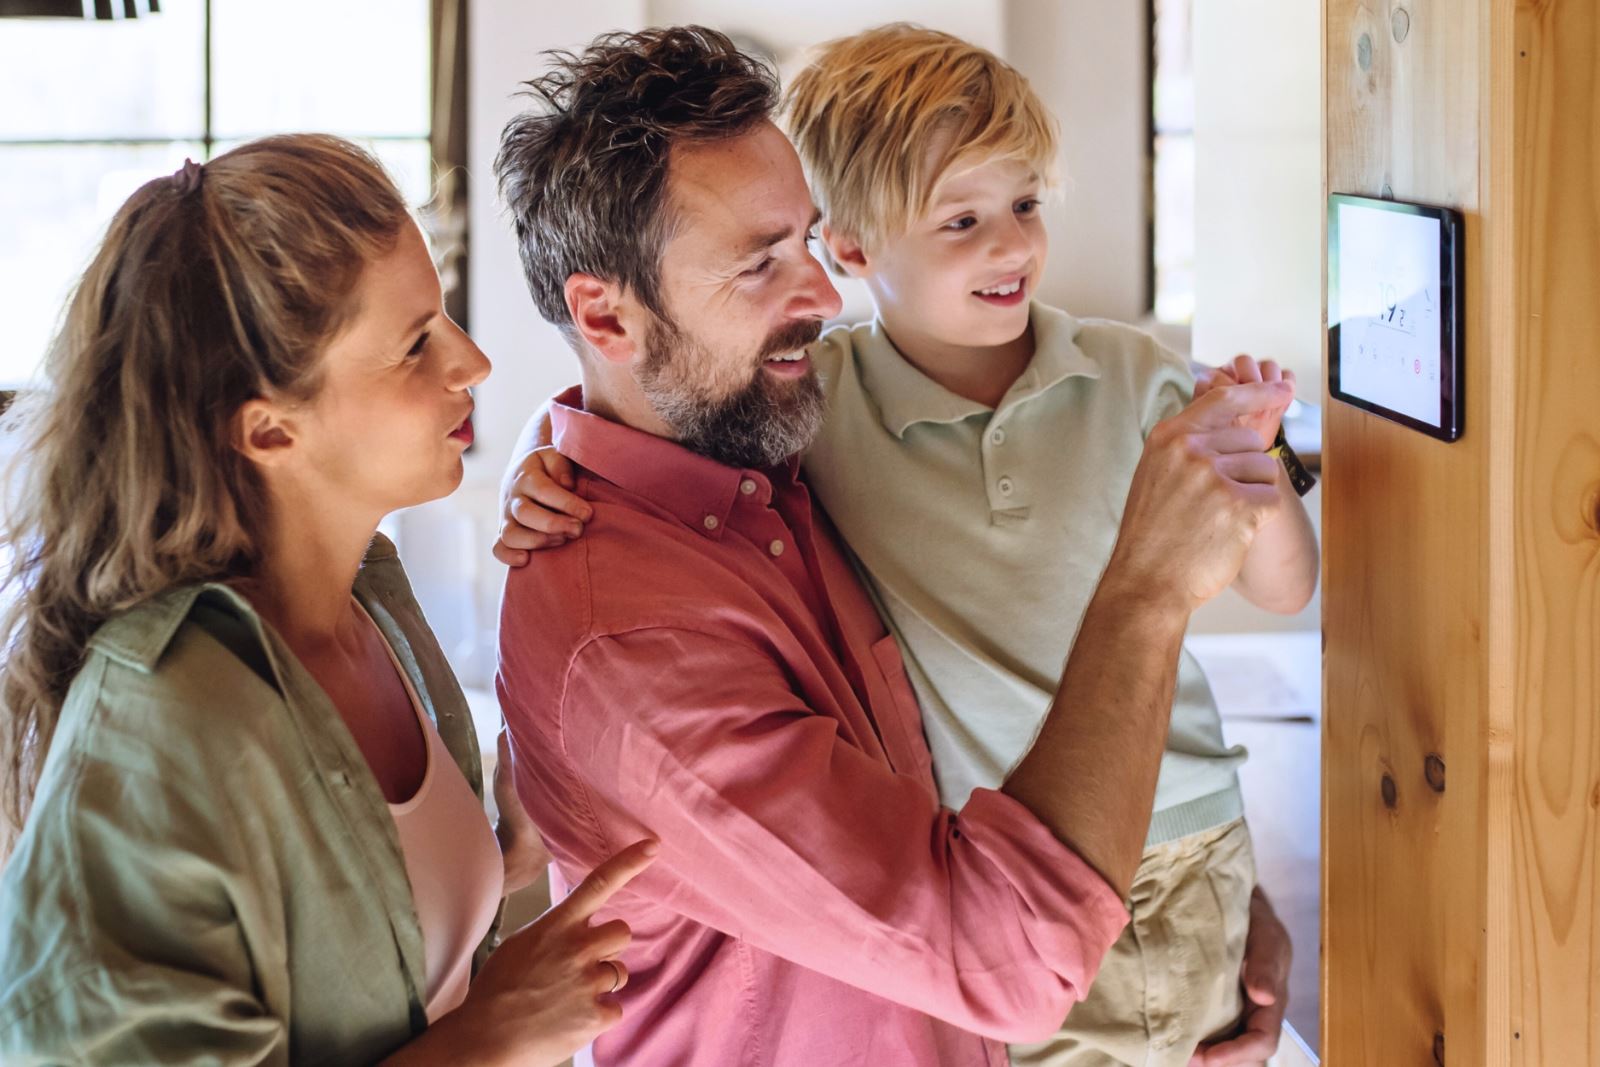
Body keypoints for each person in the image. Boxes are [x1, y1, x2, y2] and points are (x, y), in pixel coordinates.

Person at [490, 26, 1294, 1067]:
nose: (823, 297)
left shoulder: (763, 451)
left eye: (807, 242)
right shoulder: (635, 642)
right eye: (759, 261)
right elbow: (1010, 957)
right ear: (605, 313)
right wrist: (1144, 587)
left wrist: (1196, 876)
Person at [0, 134, 652, 1066]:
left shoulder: (376, 612)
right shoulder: (157, 722)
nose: (472, 362)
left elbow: (386, 950)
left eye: (446, 317)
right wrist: (497, 1031)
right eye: (415, 344)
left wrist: (511, 845)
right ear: (269, 430)